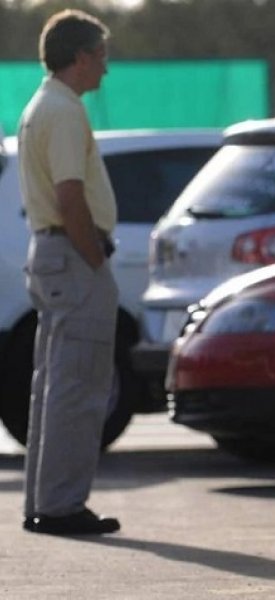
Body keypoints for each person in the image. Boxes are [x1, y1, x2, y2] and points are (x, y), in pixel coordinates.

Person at [18, 8, 120, 535]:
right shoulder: (63, 110)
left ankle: (45, 502)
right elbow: (69, 194)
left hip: (53, 254)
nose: (105, 69)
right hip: (74, 256)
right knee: (78, 386)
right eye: (101, 57)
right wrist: (95, 255)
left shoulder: (43, 105)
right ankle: (60, 506)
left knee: (55, 386)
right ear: (79, 57)